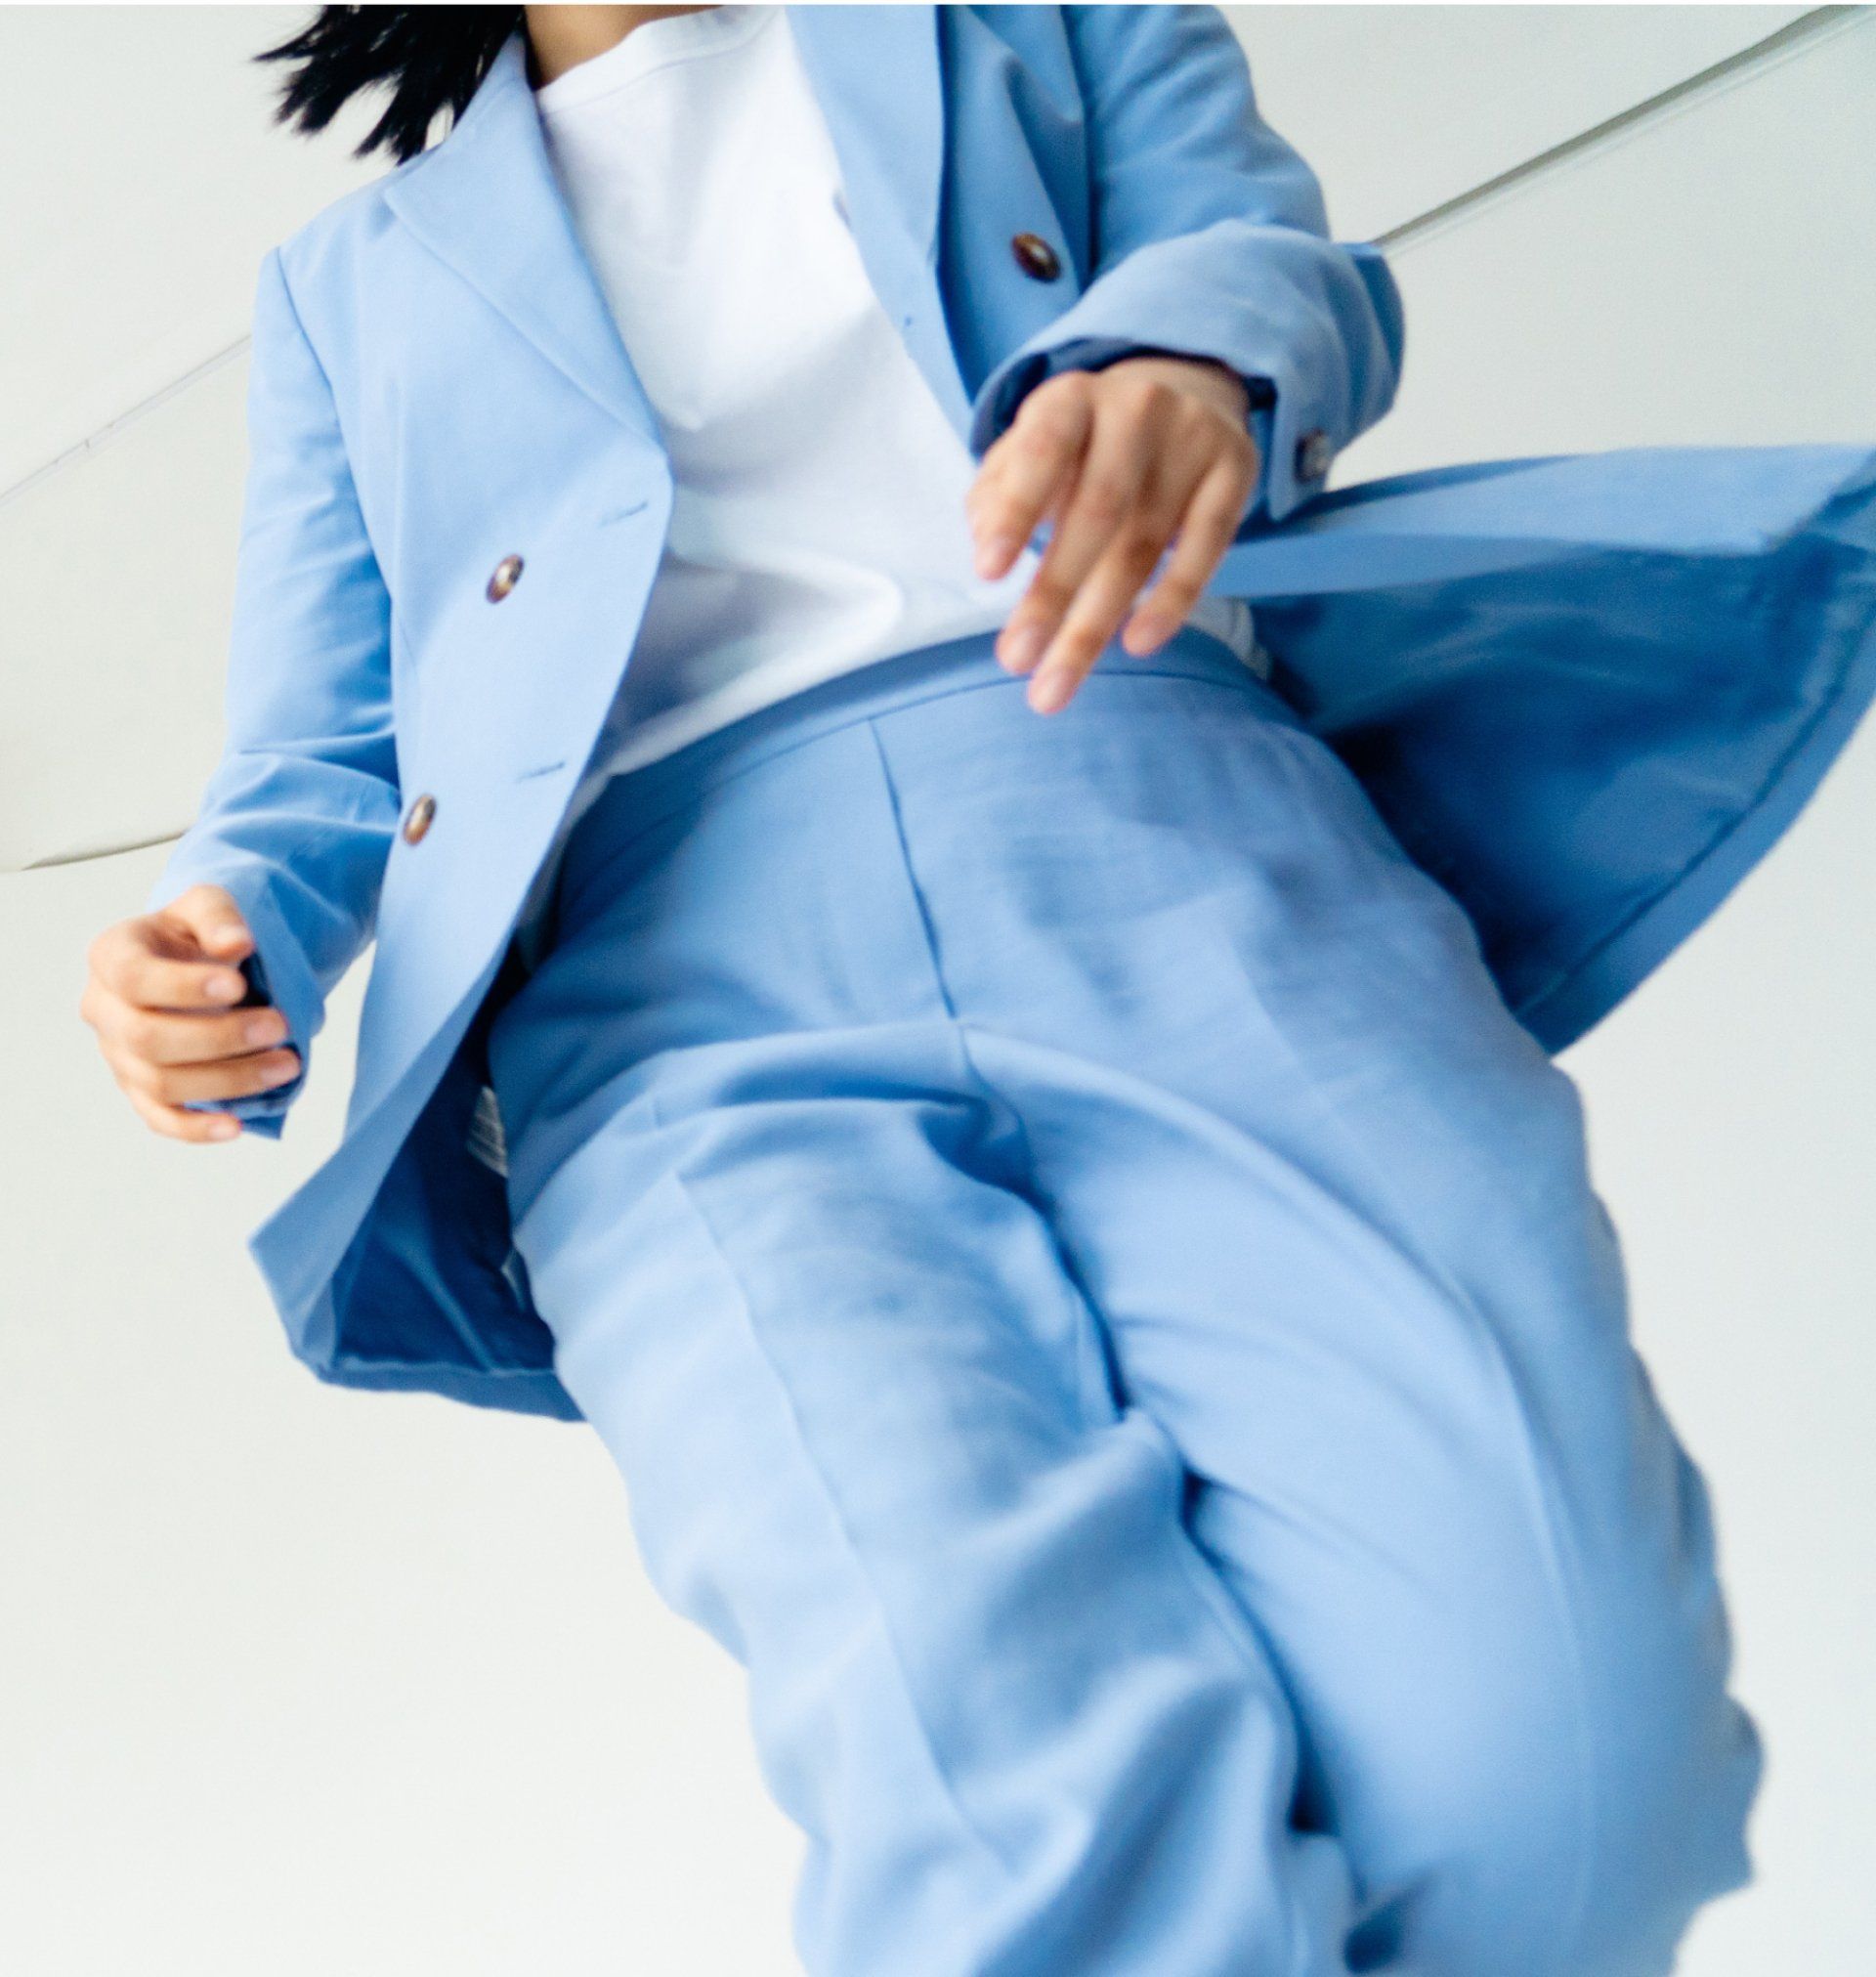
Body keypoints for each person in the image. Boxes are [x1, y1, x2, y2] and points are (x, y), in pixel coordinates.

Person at [77, 6, 1876, 1972]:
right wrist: (213, 930)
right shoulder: (350, 286)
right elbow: (321, 748)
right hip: (671, 1007)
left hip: (1192, 849)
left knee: (1568, 1770)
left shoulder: (1043, 19)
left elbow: (1270, 264)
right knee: (1019, 1793)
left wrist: (1186, 364)